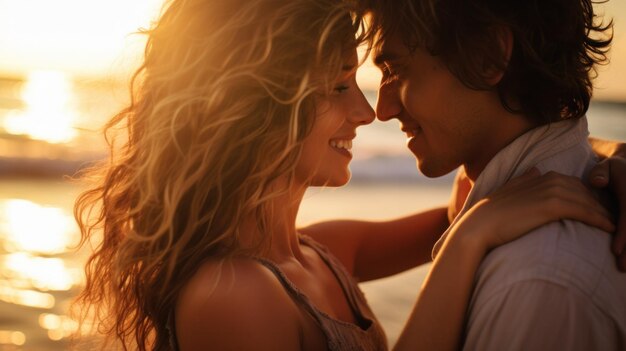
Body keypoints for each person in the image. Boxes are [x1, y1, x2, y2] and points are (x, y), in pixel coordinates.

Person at [72, 0, 621, 350]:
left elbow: (506, 183)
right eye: (338, 87)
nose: (367, 112)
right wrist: (468, 243)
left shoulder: (317, 256)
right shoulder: (229, 296)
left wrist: (608, 156)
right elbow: (474, 221)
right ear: (251, 108)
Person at [361, 0, 626, 349]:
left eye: (396, 70)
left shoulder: (536, 286)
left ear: (488, 56)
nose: (382, 110)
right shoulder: (513, 211)